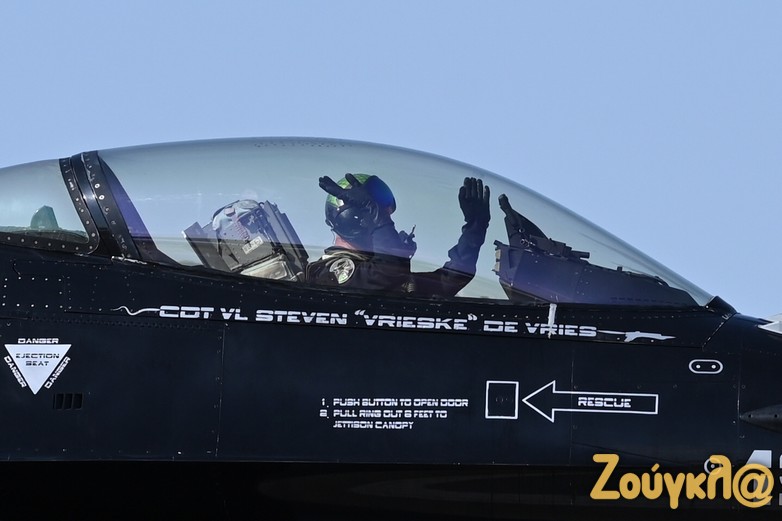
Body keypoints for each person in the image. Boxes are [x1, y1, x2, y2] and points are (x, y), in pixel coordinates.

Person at [306, 173, 490, 297]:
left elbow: (450, 280)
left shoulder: (381, 273)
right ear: (356, 220)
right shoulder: (329, 274)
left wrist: (475, 227)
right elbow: (387, 271)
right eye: (379, 217)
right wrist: (394, 249)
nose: (386, 223)